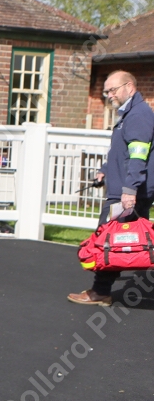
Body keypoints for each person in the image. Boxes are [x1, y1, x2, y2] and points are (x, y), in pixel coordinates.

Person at [69, 70, 154, 307]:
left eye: (113, 90)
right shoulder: (128, 114)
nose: (109, 95)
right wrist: (106, 169)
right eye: (106, 91)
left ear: (130, 87)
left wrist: (130, 190)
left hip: (127, 193)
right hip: (127, 190)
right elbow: (121, 150)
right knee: (121, 242)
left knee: (107, 239)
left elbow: (138, 155)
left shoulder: (138, 115)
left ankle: (100, 292)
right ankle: (101, 289)